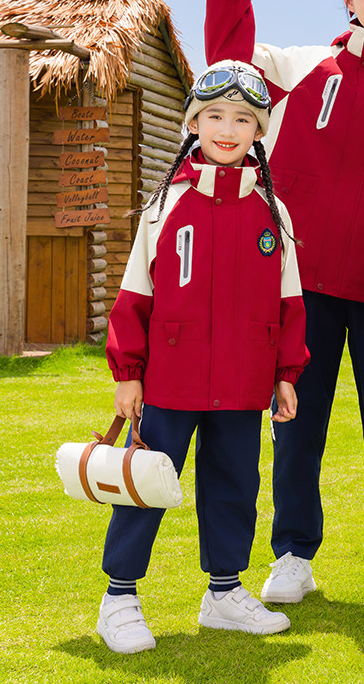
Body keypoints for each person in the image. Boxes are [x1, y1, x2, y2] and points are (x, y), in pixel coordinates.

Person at [205, 0, 364, 604]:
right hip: (299, 291)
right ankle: (294, 554)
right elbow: (228, 59)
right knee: (295, 427)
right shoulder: (305, 66)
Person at [97, 60, 309, 653]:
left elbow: (290, 301)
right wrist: (129, 374)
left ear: (259, 131)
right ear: (193, 121)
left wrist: (286, 375)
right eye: (214, 115)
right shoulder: (164, 205)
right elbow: (135, 294)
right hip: (171, 380)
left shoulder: (275, 213)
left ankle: (223, 594)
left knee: (236, 485)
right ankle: (119, 598)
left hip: (244, 384)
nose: (227, 128)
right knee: (146, 484)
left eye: (244, 118)